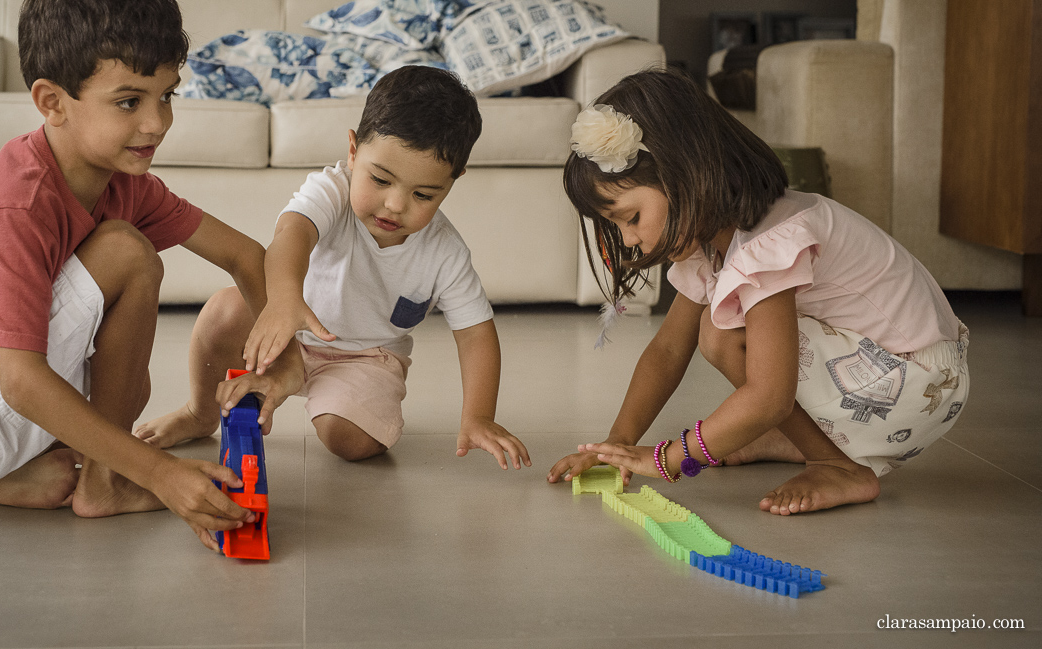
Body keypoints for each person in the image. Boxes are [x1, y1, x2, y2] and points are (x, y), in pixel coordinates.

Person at [0, 0, 301, 552]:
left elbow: (247, 257)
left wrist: (286, 357)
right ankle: (105, 483)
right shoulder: (12, 205)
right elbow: (23, 383)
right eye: (129, 101)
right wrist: (158, 474)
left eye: (166, 96)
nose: (157, 122)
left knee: (116, 399)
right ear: (52, 102)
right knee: (126, 253)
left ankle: (26, 474)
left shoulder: (119, 177)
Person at [546, 68, 969, 515]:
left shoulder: (769, 241)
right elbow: (668, 350)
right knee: (720, 333)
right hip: (893, 374)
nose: (629, 240)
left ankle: (835, 463)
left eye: (631, 218)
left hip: (920, 383)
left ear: (685, 175)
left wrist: (672, 459)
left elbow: (769, 396)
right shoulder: (712, 240)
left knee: (723, 333)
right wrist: (617, 445)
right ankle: (801, 439)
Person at [135, 66, 531, 470]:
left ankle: (337, 399)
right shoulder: (333, 189)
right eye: (380, 179)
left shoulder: (445, 252)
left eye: (423, 194)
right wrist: (285, 301)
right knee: (224, 312)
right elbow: (293, 230)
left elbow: (476, 335)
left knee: (349, 440)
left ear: (453, 181)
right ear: (354, 151)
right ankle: (200, 413)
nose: (395, 205)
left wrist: (478, 416)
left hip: (366, 356)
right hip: (287, 329)